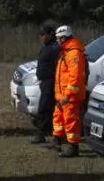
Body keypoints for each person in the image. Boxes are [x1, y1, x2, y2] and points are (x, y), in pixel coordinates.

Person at [52, 25, 87, 158]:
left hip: (70, 96)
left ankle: (73, 147)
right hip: (62, 96)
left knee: (71, 120)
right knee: (58, 117)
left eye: (58, 39)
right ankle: (57, 141)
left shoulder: (73, 53)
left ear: (64, 38)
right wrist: (59, 95)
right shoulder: (65, 52)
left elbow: (75, 78)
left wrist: (67, 95)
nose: (57, 41)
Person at [31, 24, 60, 144]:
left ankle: (41, 134)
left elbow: (57, 67)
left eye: (43, 34)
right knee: (46, 109)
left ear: (51, 35)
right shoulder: (46, 47)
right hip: (45, 82)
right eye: (40, 35)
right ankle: (47, 133)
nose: (41, 37)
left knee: (44, 109)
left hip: (51, 82)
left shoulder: (55, 48)